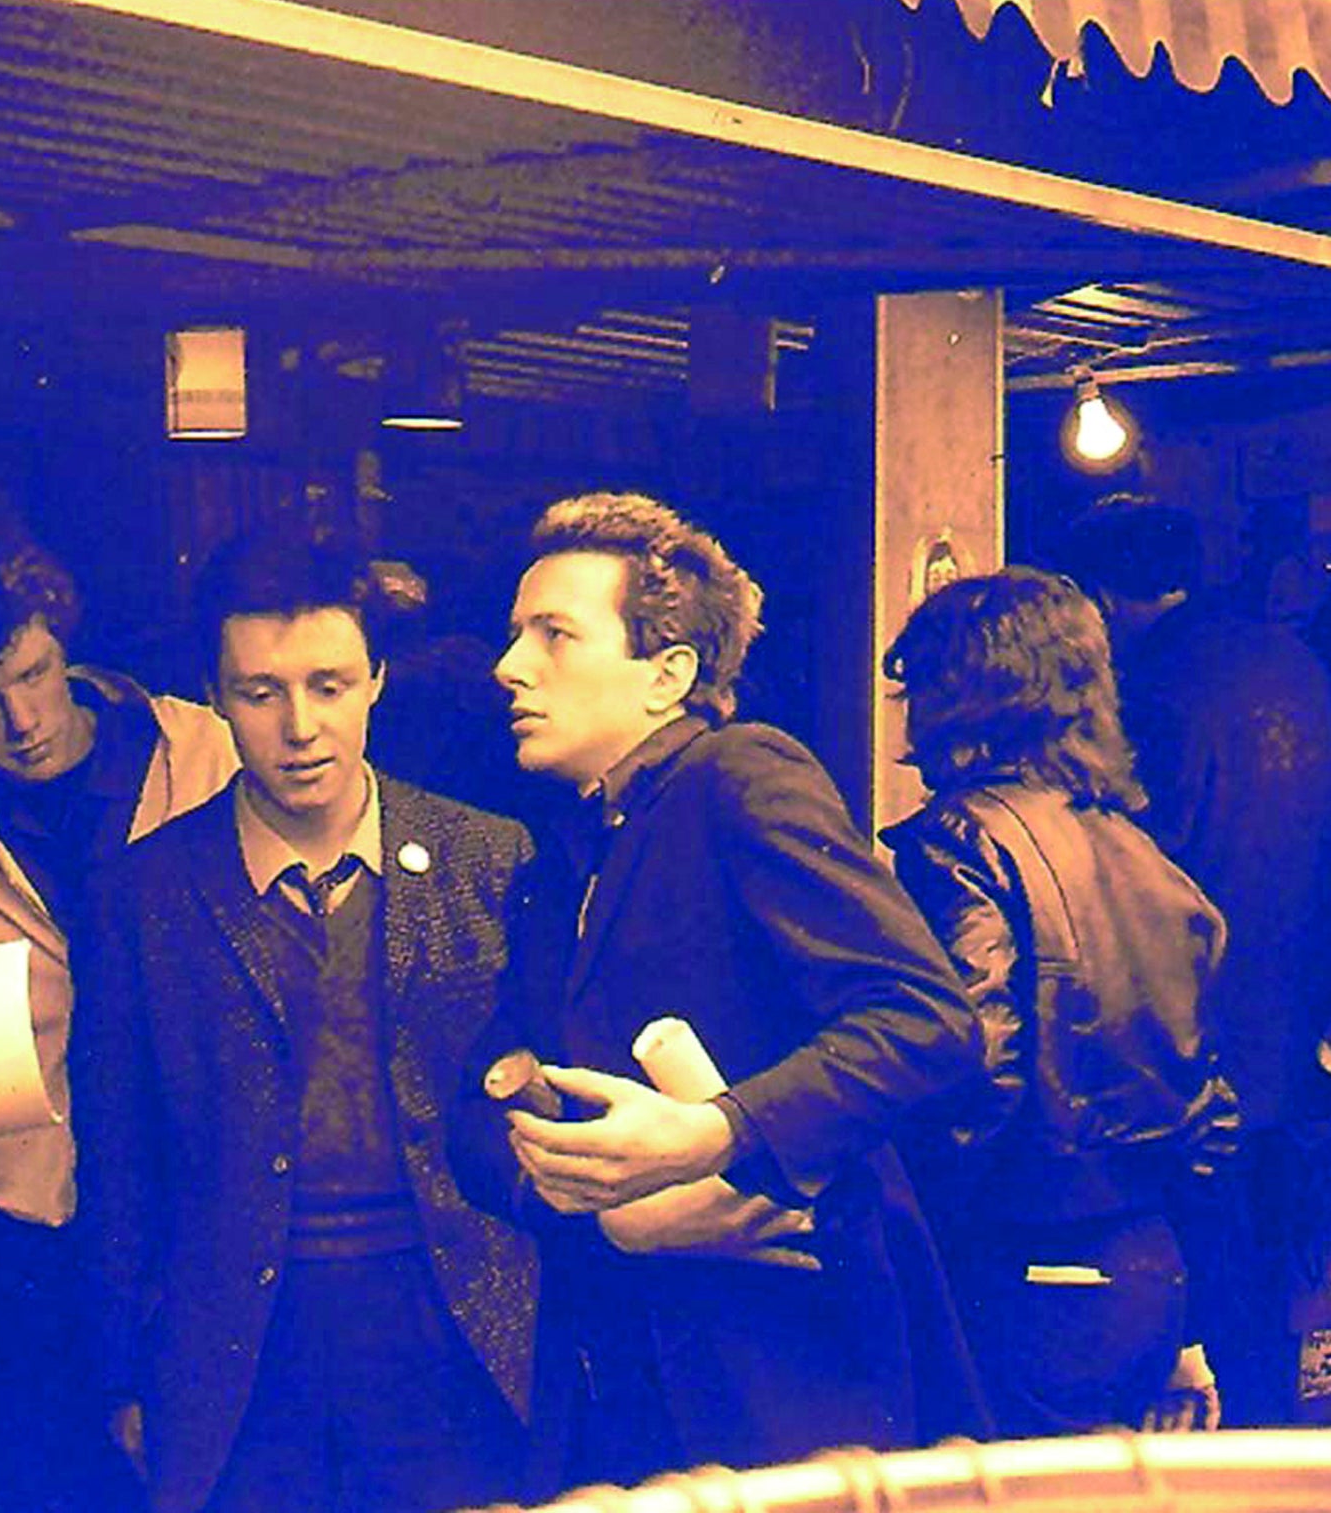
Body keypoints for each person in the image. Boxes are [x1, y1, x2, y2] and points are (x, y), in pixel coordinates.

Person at [459, 490, 984, 1491]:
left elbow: (926, 1020)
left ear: (668, 675)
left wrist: (718, 1136)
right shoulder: (566, 850)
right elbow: (485, 1085)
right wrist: (548, 1172)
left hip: (779, 1384)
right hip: (623, 1389)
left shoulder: (742, 777)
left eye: (553, 635)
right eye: (515, 633)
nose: (509, 666)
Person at [72, 533, 538, 1513]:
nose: (299, 727)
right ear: (214, 698)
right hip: (236, 1351)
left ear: (375, 680)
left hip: (451, 1330)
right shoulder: (140, 896)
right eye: (260, 693)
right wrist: (124, 1372)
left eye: (328, 686)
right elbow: (116, 1158)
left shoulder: (487, 860)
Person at [0, 521, 237, 1513]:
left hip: (201, 1189)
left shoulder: (202, 750)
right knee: (50, 1476)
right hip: (32, 1215)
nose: (24, 718)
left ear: (62, 639)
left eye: (35, 674)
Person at [881, 566, 1237, 1436]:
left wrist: (892, 1229)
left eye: (917, 686)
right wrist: (1186, 1330)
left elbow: (975, 1068)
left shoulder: (960, 842)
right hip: (1147, 1270)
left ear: (954, 691)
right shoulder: (1147, 858)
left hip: (1020, 1269)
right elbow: (1208, 1114)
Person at [1057, 495, 1331, 1427]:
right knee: (1277, 1256)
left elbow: (1147, 866)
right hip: (1294, 1018)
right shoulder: (1295, 661)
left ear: (1102, 597)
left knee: (1205, 1265)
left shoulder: (1151, 686)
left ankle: (1234, 1444)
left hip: (1195, 1023)